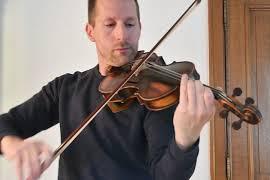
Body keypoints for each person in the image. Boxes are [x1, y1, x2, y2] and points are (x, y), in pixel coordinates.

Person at [0, 0, 216, 179]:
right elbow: (5, 124)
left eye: (129, 24)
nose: (122, 35)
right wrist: (13, 146)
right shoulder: (64, 89)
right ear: (90, 31)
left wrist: (186, 138)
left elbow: (166, 175)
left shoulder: (154, 90)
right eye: (110, 24)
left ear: (140, 27)